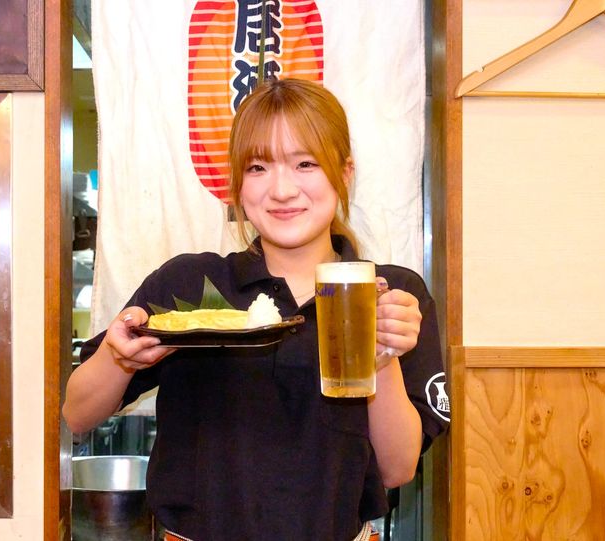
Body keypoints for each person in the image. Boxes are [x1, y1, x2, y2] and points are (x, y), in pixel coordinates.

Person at [63, 78, 448, 541]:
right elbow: (76, 414)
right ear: (238, 184)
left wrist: (382, 354)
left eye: (306, 163)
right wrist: (118, 357)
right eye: (258, 167)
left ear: (345, 173)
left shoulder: (391, 294)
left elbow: (397, 468)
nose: (282, 190)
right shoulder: (190, 284)